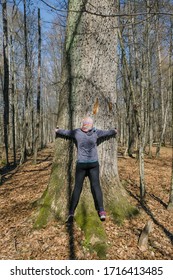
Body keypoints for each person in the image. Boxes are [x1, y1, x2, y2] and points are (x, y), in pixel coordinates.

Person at [55, 116, 117, 223]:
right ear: (91, 125)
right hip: (93, 164)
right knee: (96, 186)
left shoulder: (77, 132)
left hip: (81, 164)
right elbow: (107, 133)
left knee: (77, 188)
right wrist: (114, 131)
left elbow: (66, 132)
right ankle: (101, 211)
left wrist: (58, 130)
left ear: (83, 124)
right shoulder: (95, 132)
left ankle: (71, 212)